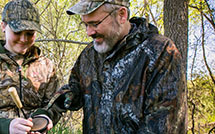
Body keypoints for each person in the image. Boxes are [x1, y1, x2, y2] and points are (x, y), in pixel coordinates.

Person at [49, 0, 187, 133]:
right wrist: (46, 115)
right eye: (85, 25)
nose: (89, 32)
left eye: (95, 24)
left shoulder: (159, 52)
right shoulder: (89, 55)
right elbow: (74, 91)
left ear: (122, 15)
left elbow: (164, 125)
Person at [0, 0, 65, 133]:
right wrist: (3, 126)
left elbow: (55, 105)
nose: (23, 39)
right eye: (17, 32)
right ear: (3, 26)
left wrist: (44, 118)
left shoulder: (46, 66)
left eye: (29, 33)